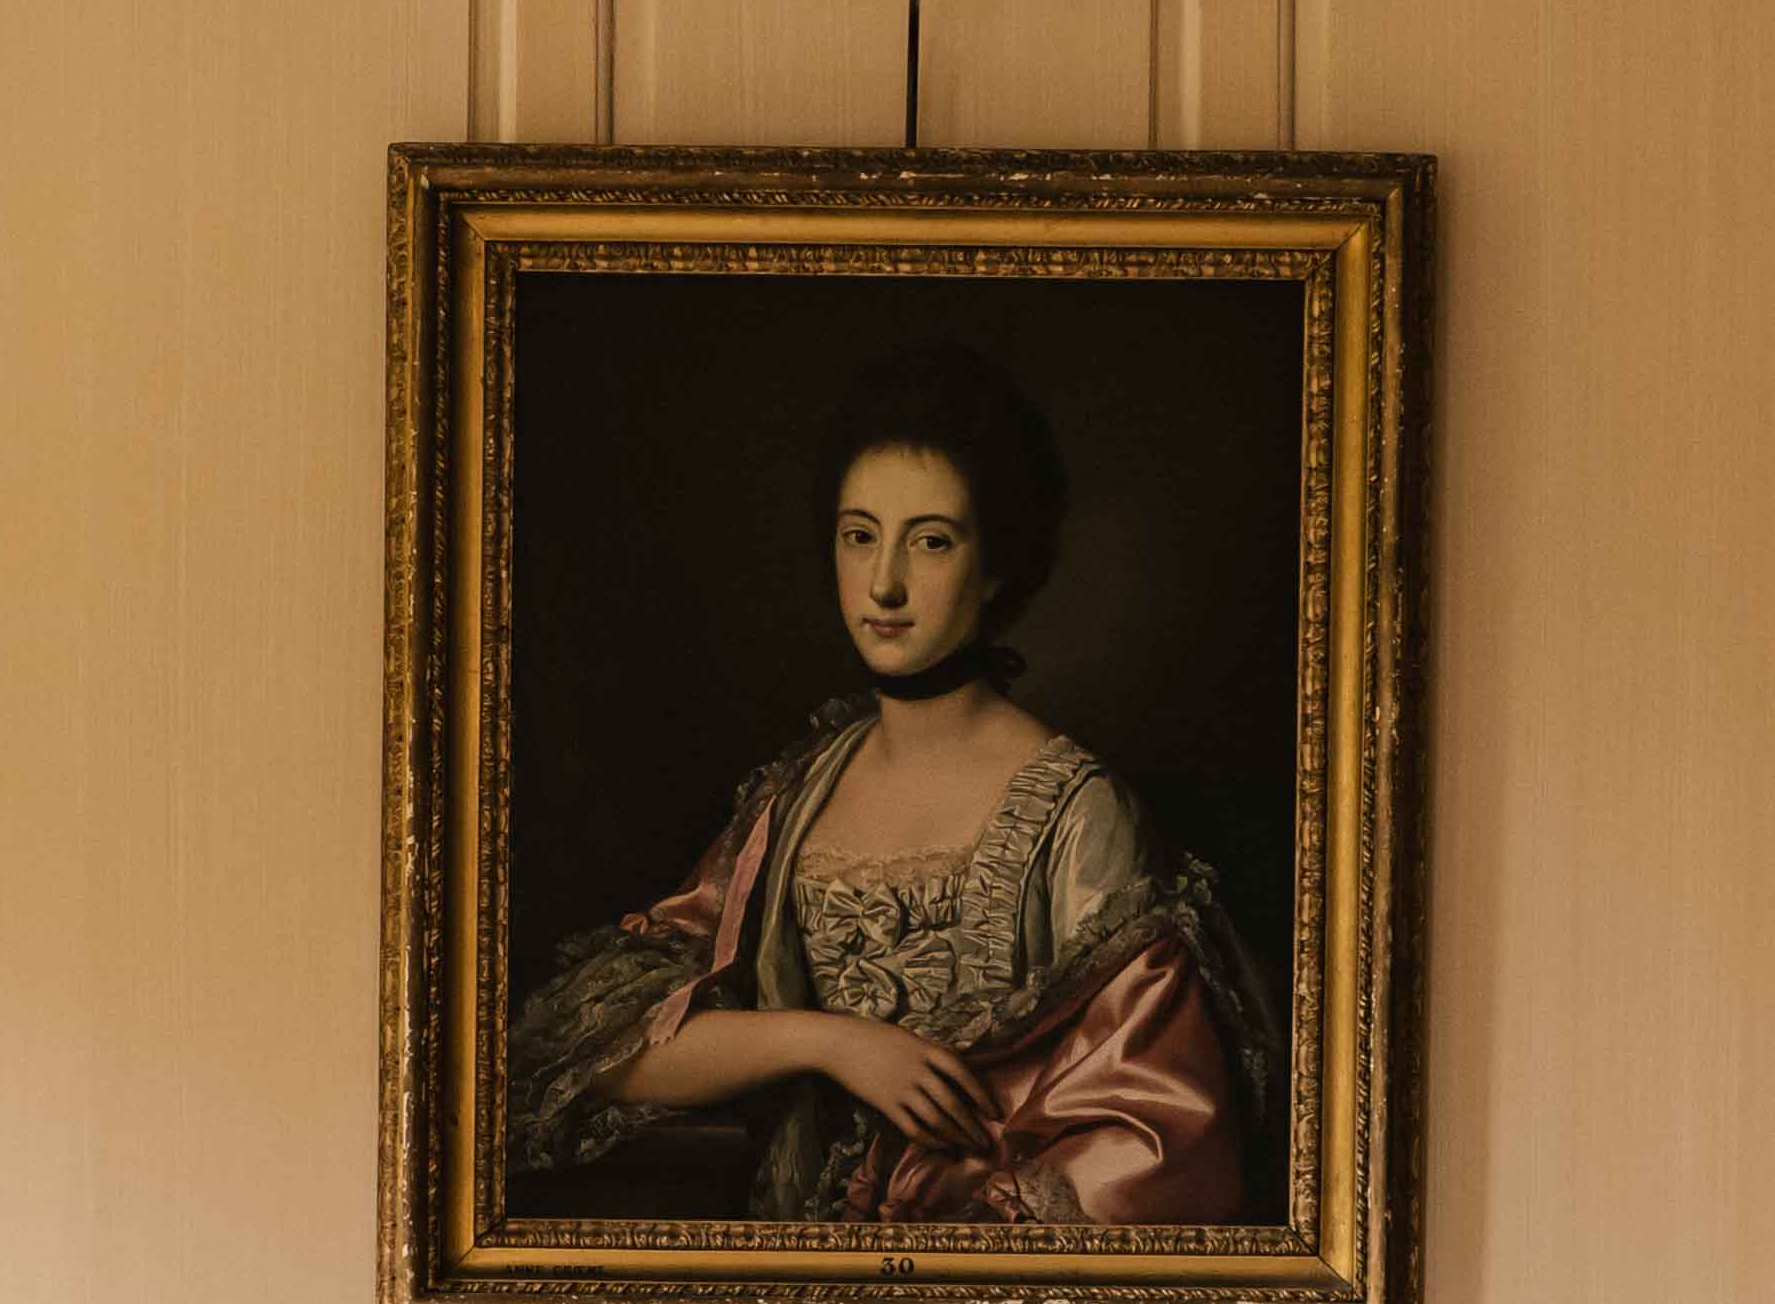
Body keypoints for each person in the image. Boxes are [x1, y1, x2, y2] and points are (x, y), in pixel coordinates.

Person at [510, 338, 1278, 1224]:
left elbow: (1155, 1142)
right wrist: (833, 1043)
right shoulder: (797, 799)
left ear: (996, 567)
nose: (885, 583)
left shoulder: (1076, 810)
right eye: (860, 536)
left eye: (932, 542)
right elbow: (602, 1051)